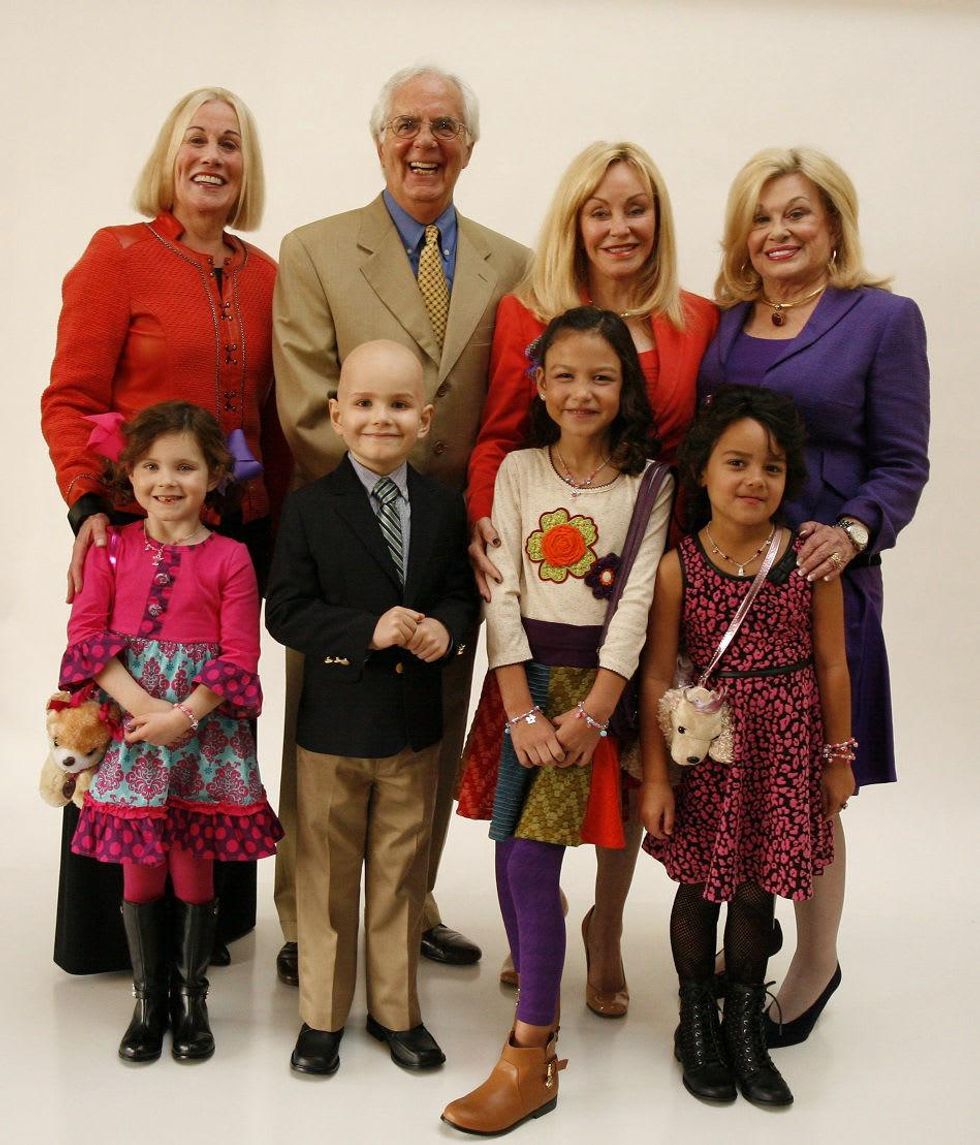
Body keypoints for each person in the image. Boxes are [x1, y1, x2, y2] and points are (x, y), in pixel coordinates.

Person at [272, 65, 529, 984]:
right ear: (380, 139)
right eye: (408, 125)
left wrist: (471, 517)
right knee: (323, 730)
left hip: (451, 546)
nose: (426, 142)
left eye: (446, 127)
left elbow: (511, 407)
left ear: (470, 145)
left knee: (431, 729)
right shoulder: (314, 250)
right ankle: (308, 919)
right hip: (344, 536)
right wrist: (384, 496)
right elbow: (304, 401)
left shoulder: (513, 264)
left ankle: (409, 901)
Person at [462, 141, 718, 1014]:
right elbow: (500, 434)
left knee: (628, 762)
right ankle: (538, 917)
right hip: (545, 556)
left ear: (659, 218)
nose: (618, 226)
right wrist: (487, 530)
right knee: (532, 773)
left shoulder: (695, 317)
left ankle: (605, 926)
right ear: (574, 221)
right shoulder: (527, 312)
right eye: (599, 210)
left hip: (652, 551)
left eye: (635, 208)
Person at [40, 86, 289, 974]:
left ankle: (203, 936)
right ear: (170, 155)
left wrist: (282, 523)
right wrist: (88, 505)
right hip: (134, 531)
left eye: (230, 142)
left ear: (247, 165)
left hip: (235, 537)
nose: (213, 156)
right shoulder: (117, 256)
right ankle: (117, 941)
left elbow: (268, 414)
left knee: (214, 720)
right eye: (197, 139)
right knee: (123, 712)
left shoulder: (266, 275)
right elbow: (71, 399)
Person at [698, 147, 930, 1044]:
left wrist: (856, 530)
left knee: (811, 783)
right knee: (736, 776)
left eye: (797, 213)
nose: (779, 231)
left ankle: (814, 961)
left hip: (822, 587)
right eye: (761, 217)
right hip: (727, 590)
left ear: (833, 223)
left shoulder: (882, 319)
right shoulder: (724, 324)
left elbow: (902, 462)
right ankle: (745, 940)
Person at [442, 308, 673, 1135]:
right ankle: (542, 975)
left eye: (602, 377)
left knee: (533, 863)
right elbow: (500, 586)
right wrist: (519, 705)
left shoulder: (650, 482)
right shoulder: (516, 469)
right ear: (539, 385)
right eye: (565, 375)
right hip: (523, 683)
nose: (582, 392)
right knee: (511, 853)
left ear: (626, 388)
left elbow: (637, 600)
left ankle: (530, 1053)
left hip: (592, 693)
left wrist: (597, 711)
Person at [265, 341, 479, 1076]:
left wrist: (447, 628)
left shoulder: (444, 507)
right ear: (336, 415)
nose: (380, 418)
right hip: (333, 728)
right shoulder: (309, 508)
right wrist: (367, 629)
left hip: (414, 728)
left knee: (400, 876)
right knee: (326, 877)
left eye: (398, 405)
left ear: (425, 418)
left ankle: (396, 1012)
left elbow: (459, 594)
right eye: (363, 403)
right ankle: (322, 1016)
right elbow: (285, 612)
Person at [640, 386, 854, 1107]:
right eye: (737, 462)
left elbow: (832, 664)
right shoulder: (678, 567)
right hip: (712, 754)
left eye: (772, 467)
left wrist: (839, 758)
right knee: (701, 890)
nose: (755, 479)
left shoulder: (807, 563)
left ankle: (743, 1026)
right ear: (702, 470)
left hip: (784, 754)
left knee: (759, 892)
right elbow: (657, 677)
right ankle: (696, 1021)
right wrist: (657, 779)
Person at [60, 402, 283, 1063]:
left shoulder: (232, 557)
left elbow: (239, 654)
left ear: (214, 474)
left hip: (205, 734)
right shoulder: (110, 548)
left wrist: (183, 716)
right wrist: (142, 710)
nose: (166, 481)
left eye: (185, 467)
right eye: (151, 466)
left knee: (193, 860)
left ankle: (192, 997)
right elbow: (86, 635)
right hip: (132, 729)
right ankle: (147, 999)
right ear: (128, 474)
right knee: (141, 863)